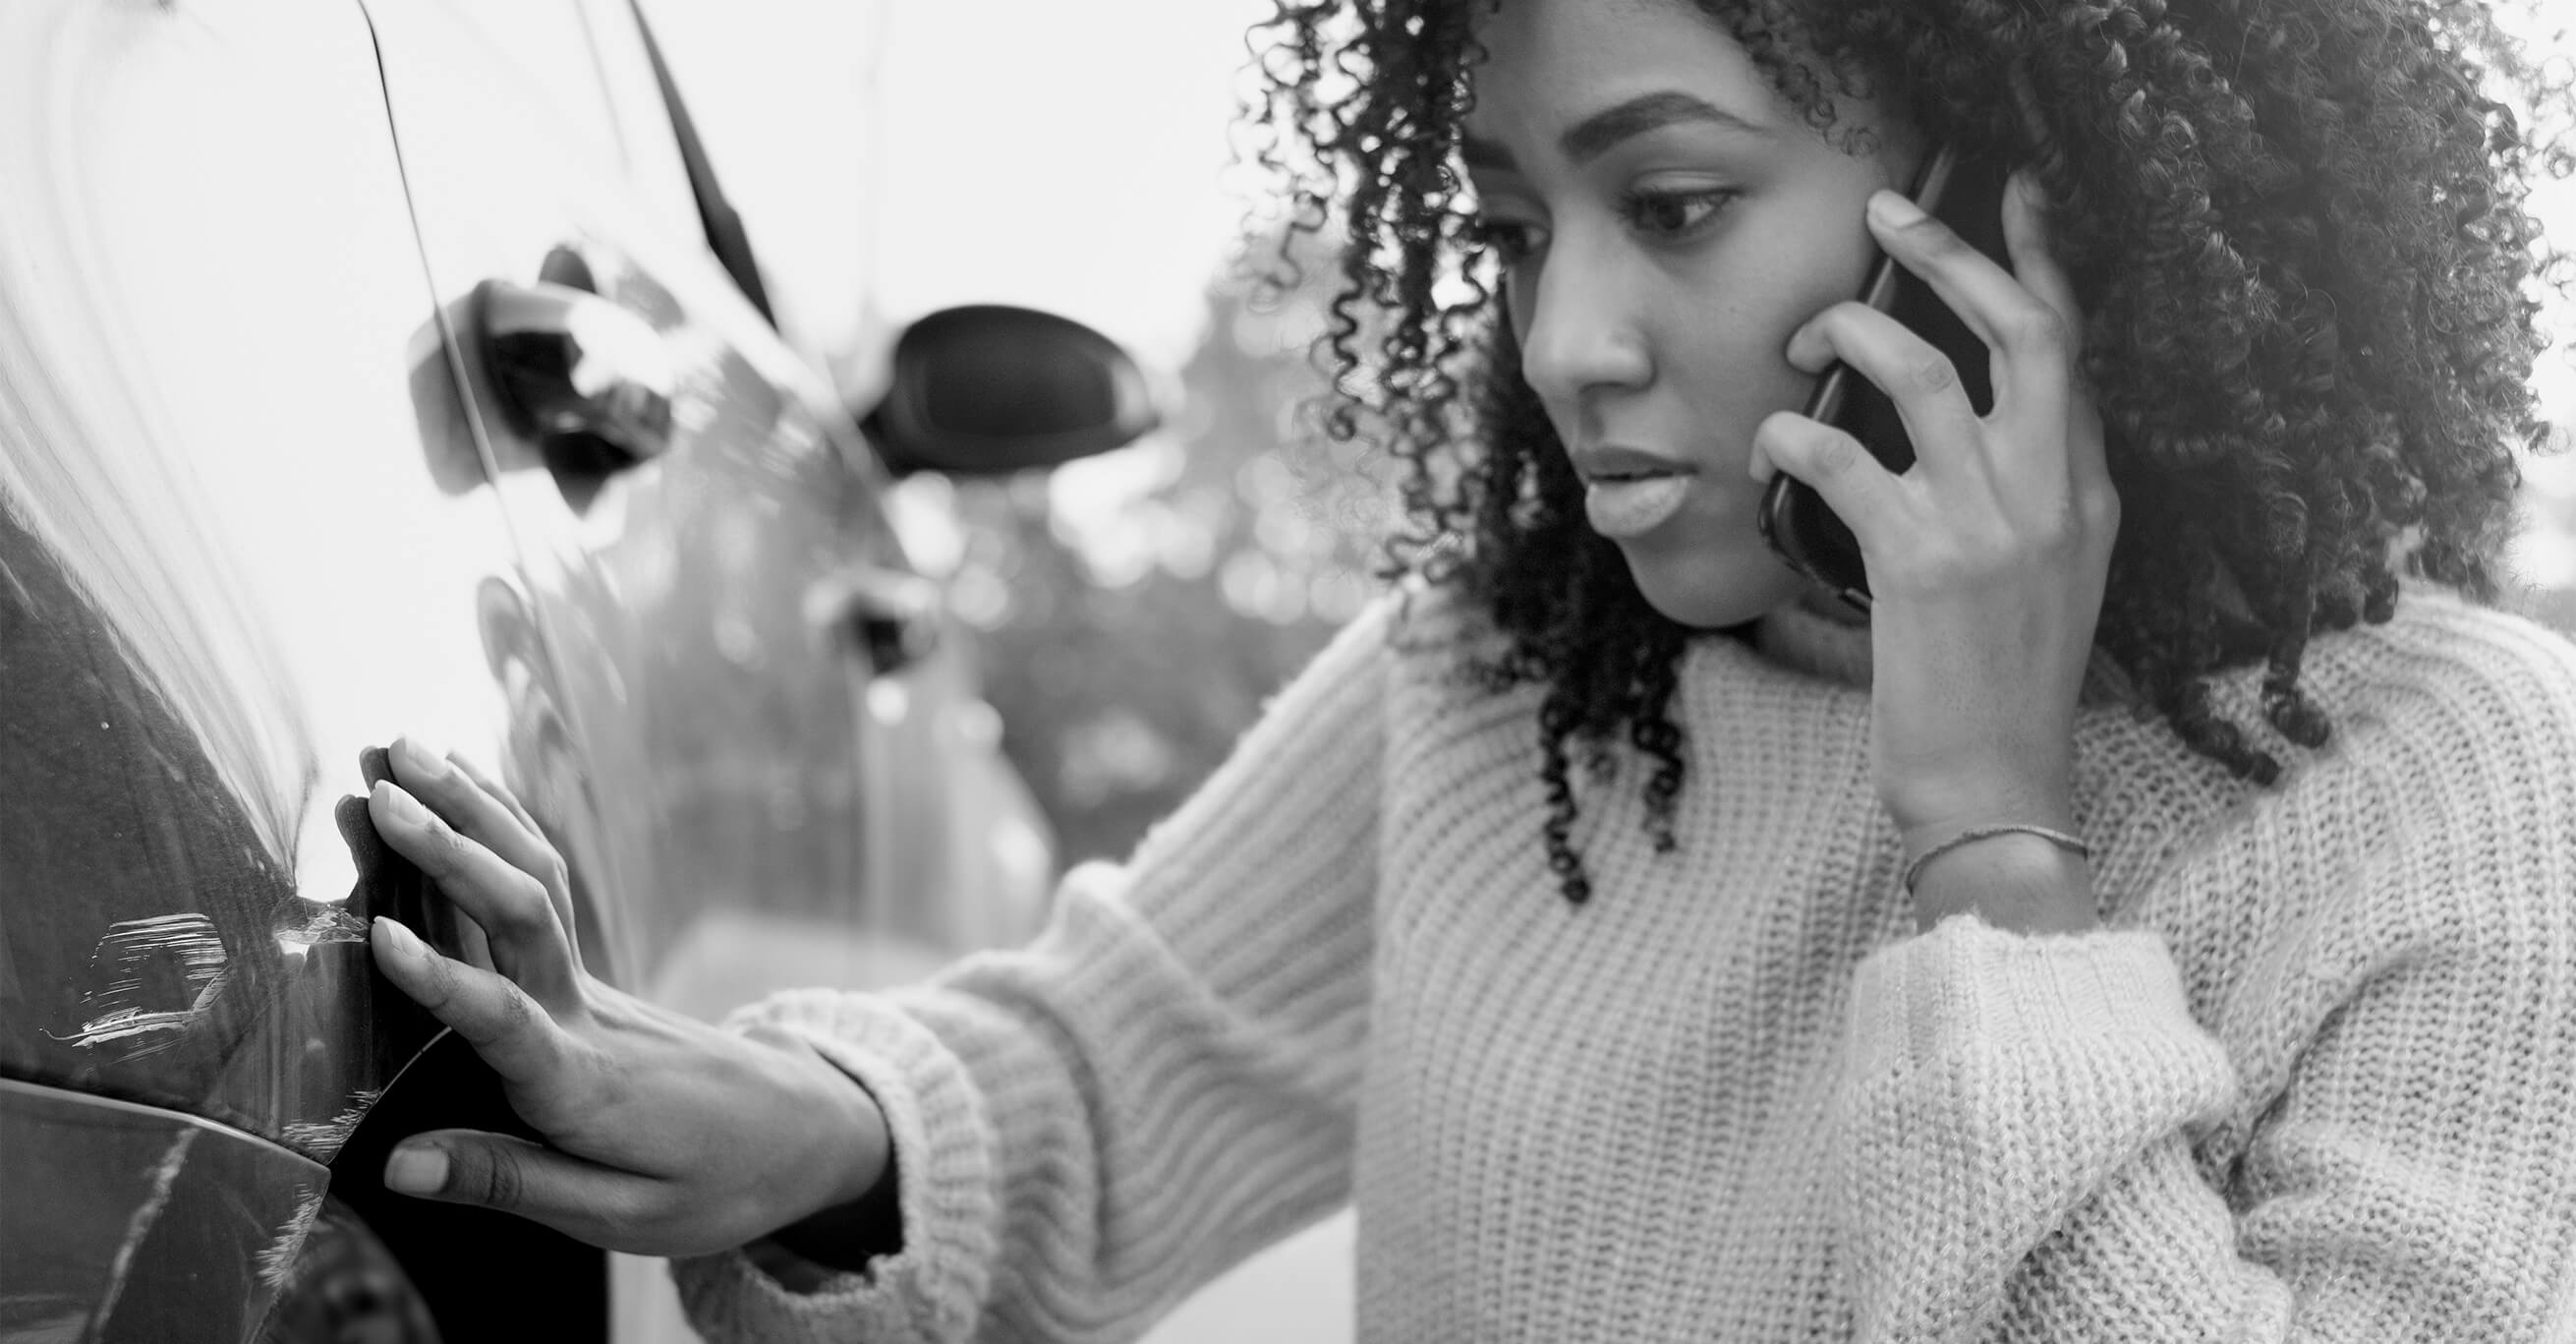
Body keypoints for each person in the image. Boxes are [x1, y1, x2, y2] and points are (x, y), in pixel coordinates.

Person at [358, 0, 2576, 1338]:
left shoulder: (2436, 778)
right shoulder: (1517, 675)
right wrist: (792, 1132)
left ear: (2043, 217)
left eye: (1679, 206)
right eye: (1517, 226)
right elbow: (1102, 1085)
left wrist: (1993, 846)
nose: (1567, 341)